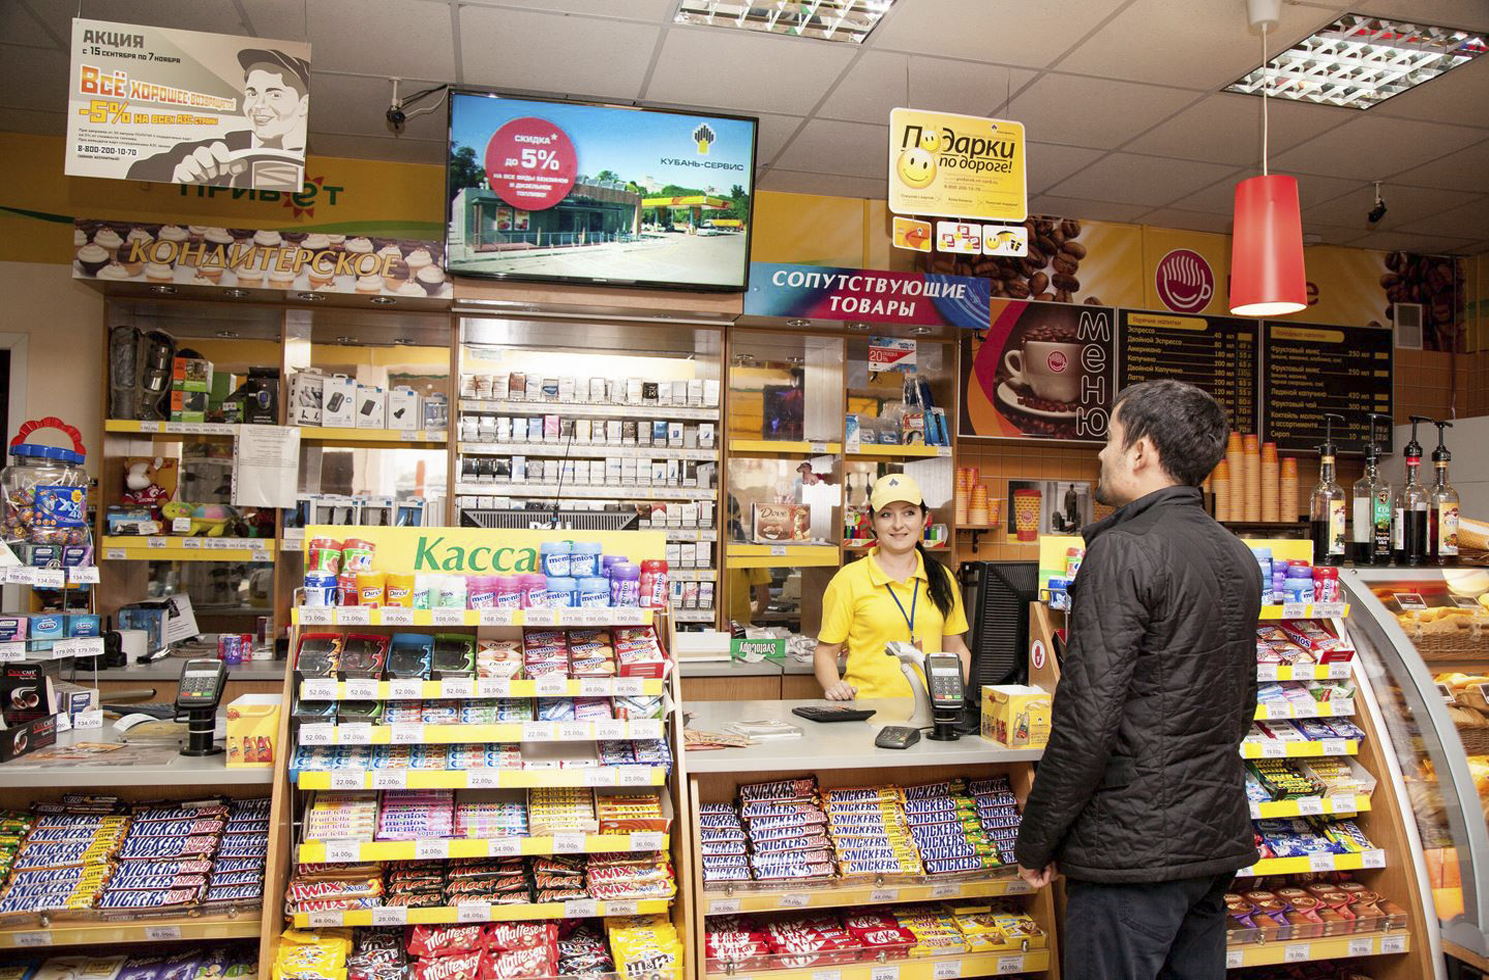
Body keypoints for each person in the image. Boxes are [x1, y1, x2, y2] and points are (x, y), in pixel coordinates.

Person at [1014, 379, 1262, 980]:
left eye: (1109, 438)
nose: (1101, 454)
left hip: (1131, 855)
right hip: (1210, 843)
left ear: (1142, 451)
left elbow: (1087, 722)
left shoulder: (1123, 550)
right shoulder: (1235, 553)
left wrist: (1038, 839)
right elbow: (1241, 706)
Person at [814, 473, 970, 699]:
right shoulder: (848, 579)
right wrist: (834, 687)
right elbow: (825, 653)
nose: (898, 524)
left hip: (932, 712)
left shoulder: (942, 577)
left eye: (909, 513)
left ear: (925, 519)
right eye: (886, 515)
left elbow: (955, 649)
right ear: (871, 522)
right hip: (868, 711)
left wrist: (976, 697)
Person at [127, 48, 310, 189]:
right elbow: (136, 177)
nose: (258, 105)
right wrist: (175, 187)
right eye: (252, 94)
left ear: (303, 105)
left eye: (275, 95)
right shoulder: (200, 156)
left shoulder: (315, 173)